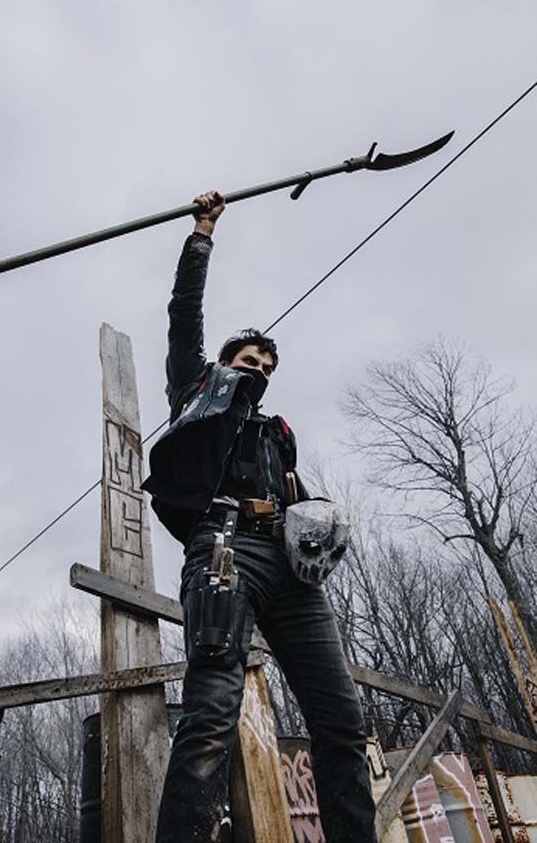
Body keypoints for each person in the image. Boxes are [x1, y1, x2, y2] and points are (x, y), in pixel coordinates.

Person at [142, 191, 377, 842]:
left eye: (268, 365)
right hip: (225, 549)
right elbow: (183, 314)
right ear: (226, 364)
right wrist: (201, 234)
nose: (261, 370)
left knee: (342, 722)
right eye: (250, 361)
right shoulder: (198, 390)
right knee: (212, 710)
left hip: (292, 571)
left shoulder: (277, 432)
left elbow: (300, 502)